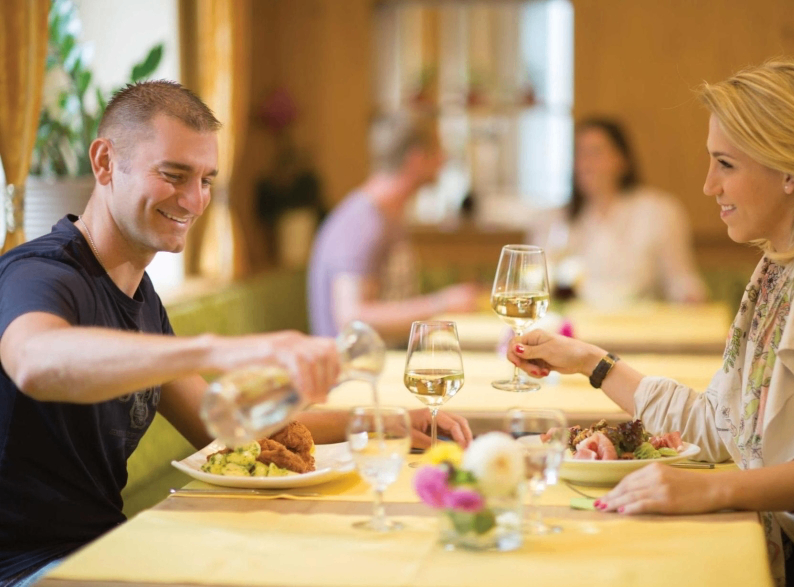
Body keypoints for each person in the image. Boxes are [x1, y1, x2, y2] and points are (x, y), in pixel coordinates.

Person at [0, 81, 472, 586]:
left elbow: (221, 425)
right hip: (32, 568)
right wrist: (219, 349)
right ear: (105, 163)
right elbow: (34, 361)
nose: (194, 199)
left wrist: (383, 422)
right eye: (174, 175)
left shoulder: (139, 297)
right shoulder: (38, 272)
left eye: (206, 179)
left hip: (111, 549)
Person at [507, 61, 794, 587]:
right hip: (789, 542)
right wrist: (589, 362)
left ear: (790, 169)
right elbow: (722, 426)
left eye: (725, 164)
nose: (708, 184)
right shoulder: (784, 260)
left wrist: (715, 490)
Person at [307, 115, 478, 340]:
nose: (444, 159)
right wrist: (441, 303)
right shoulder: (362, 222)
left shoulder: (387, 214)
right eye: (438, 150)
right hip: (358, 371)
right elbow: (351, 317)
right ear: (416, 158)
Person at [539, 117, 706, 304]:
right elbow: (539, 281)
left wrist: (691, 298)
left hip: (640, 325)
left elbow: (680, 279)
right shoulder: (555, 219)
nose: (586, 164)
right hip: (575, 326)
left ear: (622, 160)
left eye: (596, 153)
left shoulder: (658, 211)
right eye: (580, 154)